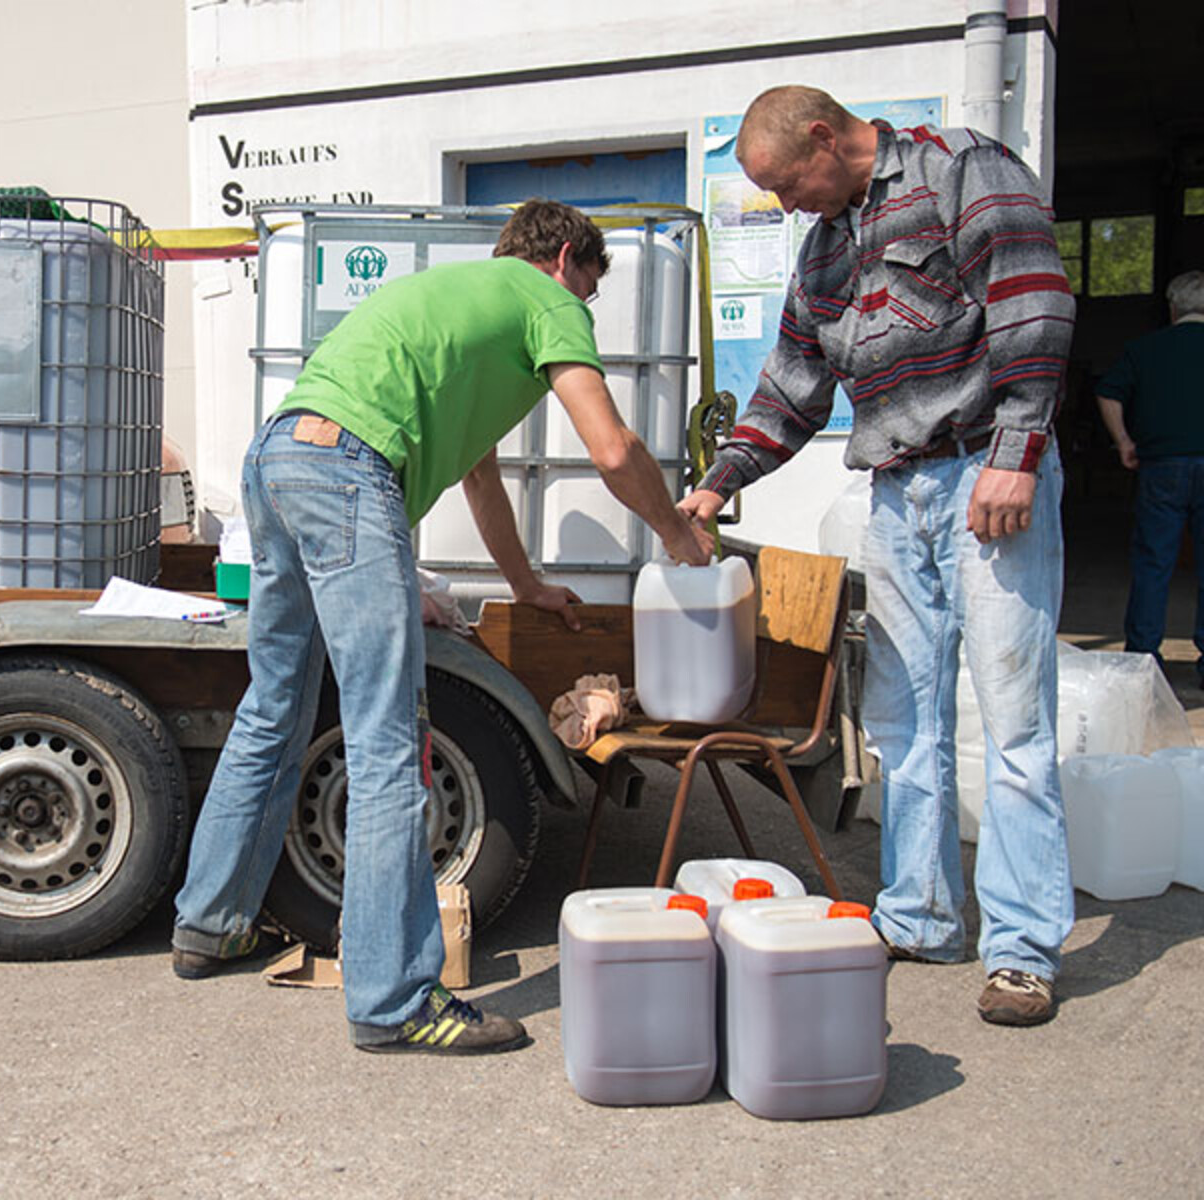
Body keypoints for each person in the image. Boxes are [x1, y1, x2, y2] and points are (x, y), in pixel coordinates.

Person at [172, 199, 713, 1055]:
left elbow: (480, 480)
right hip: (347, 472)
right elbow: (613, 449)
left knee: (274, 706)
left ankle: (211, 922)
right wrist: (681, 536)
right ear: (567, 257)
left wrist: (527, 584)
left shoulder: (460, 303)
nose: (585, 314)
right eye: (589, 291)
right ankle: (394, 1001)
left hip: (276, 459)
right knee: (388, 741)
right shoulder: (546, 302)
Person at [680, 86, 1076, 1026]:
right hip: (897, 490)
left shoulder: (959, 170)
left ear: (825, 137)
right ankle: (920, 914)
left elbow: (1035, 303)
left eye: (787, 184)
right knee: (904, 721)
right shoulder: (823, 246)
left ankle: (1021, 951)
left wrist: (1017, 455)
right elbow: (792, 383)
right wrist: (720, 479)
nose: (786, 207)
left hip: (987, 473)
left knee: (1014, 722)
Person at [1095, 271, 1204, 683]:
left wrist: (1124, 441)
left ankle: (1143, 658)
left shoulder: (1145, 349)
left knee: (1153, 563)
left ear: (1174, 308)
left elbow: (1108, 391)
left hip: (1161, 467)